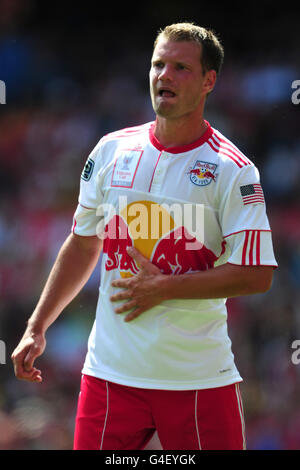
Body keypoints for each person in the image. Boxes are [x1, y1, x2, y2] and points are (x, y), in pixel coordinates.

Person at [12, 22, 278, 450]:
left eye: (180, 68)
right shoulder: (110, 151)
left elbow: (257, 274)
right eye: (158, 64)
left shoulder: (233, 169)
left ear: (210, 81)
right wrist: (37, 325)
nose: (164, 76)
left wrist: (165, 287)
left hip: (197, 380)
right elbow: (83, 241)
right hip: (109, 377)